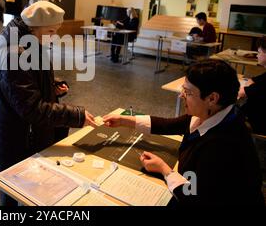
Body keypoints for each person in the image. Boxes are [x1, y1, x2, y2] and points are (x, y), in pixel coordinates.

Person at [103, 59, 264, 205]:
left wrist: (165, 170)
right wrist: (124, 120)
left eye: (187, 92)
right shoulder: (217, 113)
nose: (181, 95)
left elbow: (193, 196)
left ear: (212, 98)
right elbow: (168, 125)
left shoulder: (222, 146)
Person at [0, 1, 96, 206]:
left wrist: (51, 86)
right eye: (50, 31)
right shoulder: (15, 54)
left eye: (56, 31)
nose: (54, 36)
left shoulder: (30, 41)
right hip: (15, 136)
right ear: (33, 26)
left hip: (25, 133)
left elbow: (29, 81)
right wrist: (77, 116)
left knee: (28, 187)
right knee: (11, 191)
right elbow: (31, 108)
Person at [238, 36, 266, 135]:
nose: (257, 56)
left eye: (259, 52)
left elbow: (241, 93)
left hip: (257, 125)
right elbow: (252, 80)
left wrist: (246, 88)